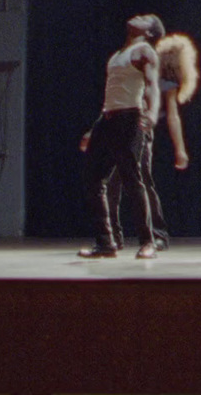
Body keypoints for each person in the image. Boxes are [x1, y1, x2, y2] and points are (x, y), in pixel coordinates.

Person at [78, 14, 165, 259]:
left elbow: (151, 85)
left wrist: (152, 112)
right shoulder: (118, 54)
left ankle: (148, 242)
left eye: (145, 18)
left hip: (129, 118)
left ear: (149, 32)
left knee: (132, 179)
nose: (138, 16)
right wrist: (94, 128)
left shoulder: (144, 51)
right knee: (93, 178)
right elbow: (113, 93)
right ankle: (106, 242)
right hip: (108, 118)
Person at [107, 32, 197, 252]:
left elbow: (173, 115)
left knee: (139, 181)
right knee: (116, 182)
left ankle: (156, 235)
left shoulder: (165, 82)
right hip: (126, 128)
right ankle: (115, 236)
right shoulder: (142, 70)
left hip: (141, 132)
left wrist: (181, 150)